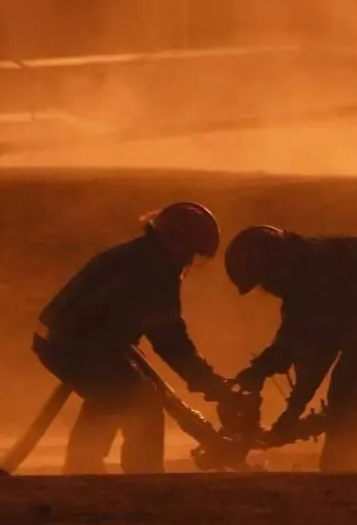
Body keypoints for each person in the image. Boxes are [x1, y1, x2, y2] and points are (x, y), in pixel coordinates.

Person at [30, 202, 232, 474]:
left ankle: (84, 467)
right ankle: (141, 474)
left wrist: (205, 382)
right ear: (174, 240)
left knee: (114, 392)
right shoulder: (154, 270)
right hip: (73, 343)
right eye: (189, 252)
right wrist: (208, 382)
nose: (187, 261)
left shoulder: (139, 256)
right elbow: (170, 341)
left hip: (80, 341)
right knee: (138, 397)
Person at [224, 225, 357, 471]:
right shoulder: (302, 276)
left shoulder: (317, 276)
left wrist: (292, 413)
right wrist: (259, 370)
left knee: (356, 396)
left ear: (275, 264)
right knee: (352, 394)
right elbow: (291, 338)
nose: (268, 289)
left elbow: (319, 353)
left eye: (264, 281)